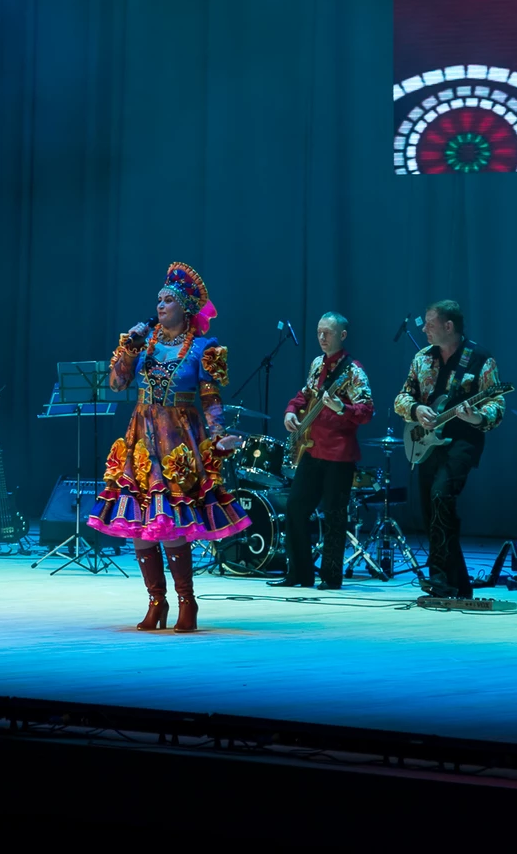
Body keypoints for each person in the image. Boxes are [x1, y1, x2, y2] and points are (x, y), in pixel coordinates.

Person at [88, 263, 249, 633]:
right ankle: (155, 601)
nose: (160, 305)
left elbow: (210, 399)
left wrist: (219, 435)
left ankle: (186, 601)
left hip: (179, 440)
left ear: (185, 308)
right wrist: (129, 347)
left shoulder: (203, 349)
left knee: (173, 520)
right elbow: (116, 383)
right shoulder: (141, 343)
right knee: (138, 521)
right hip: (141, 439)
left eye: (168, 300)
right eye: (158, 300)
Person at [392, 301, 506, 599]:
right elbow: (401, 398)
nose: (424, 329)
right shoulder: (422, 358)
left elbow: (497, 404)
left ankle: (440, 579)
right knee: (432, 510)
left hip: (463, 441)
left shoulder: (480, 358)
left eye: (430, 324)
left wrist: (477, 416)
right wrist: (416, 410)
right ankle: (459, 584)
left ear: (448, 326)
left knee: (441, 496)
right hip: (427, 444)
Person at [273, 313, 374, 590]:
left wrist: (342, 408)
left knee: (334, 516)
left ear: (342, 335)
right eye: (319, 332)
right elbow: (304, 394)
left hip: (339, 454)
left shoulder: (354, 371)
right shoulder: (317, 364)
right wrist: (290, 411)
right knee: (295, 507)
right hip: (312, 449)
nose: (321, 337)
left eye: (327, 333)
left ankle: (330, 576)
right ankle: (299, 573)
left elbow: (367, 411)